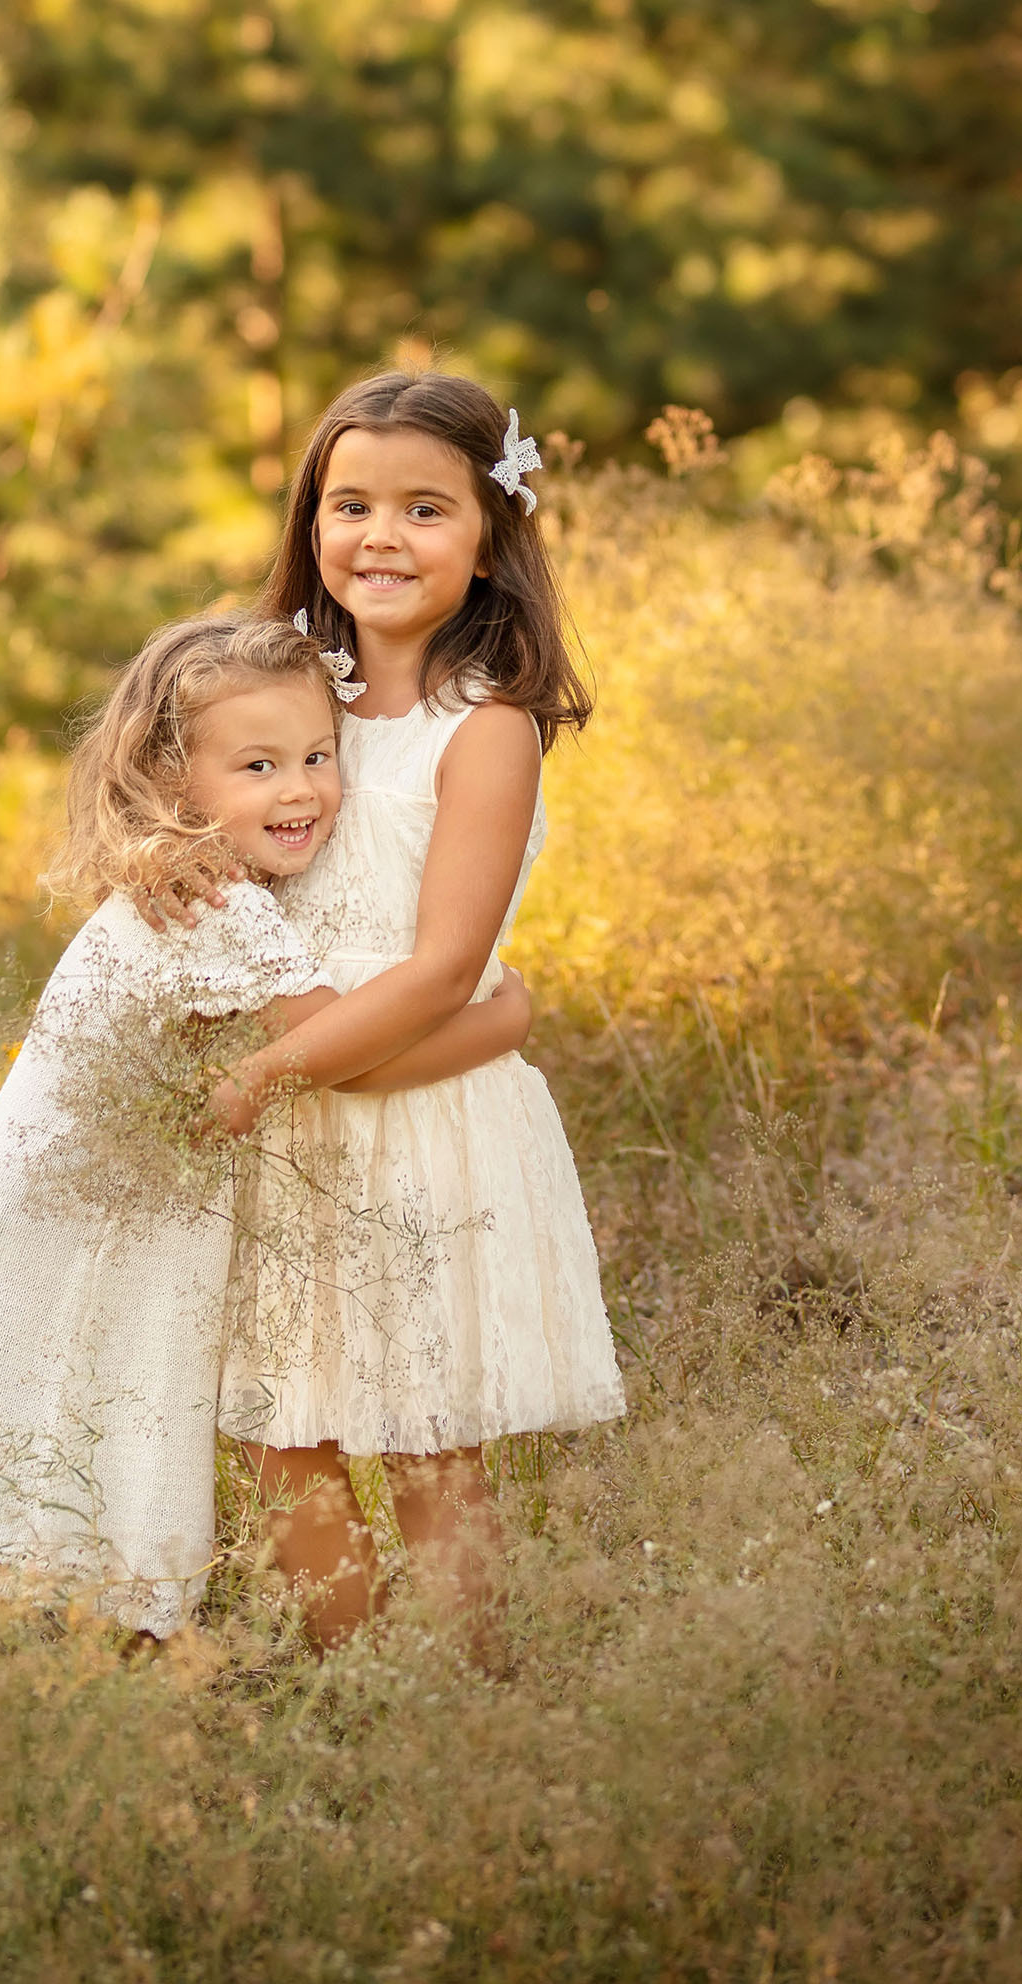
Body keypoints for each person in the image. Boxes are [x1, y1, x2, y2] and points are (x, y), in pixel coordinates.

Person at [0, 610, 532, 1640]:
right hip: (53, 1248)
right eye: (259, 765)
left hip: (35, 1234)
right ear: (177, 782)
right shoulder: (215, 907)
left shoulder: (188, 876)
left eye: (319, 756)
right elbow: (347, 1059)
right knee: (3, 1517)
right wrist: (506, 1017)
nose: (300, 790)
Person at [216, 373, 626, 1655]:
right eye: (349, 504)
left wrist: (277, 1070)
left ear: (493, 539)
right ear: (309, 521)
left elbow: (448, 968)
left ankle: (468, 1720)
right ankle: (359, 1720)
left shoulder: (482, 729)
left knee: (427, 1448)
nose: (379, 536)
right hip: (293, 1126)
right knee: (284, 1440)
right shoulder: (276, 706)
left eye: (424, 508)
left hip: (422, 1115)